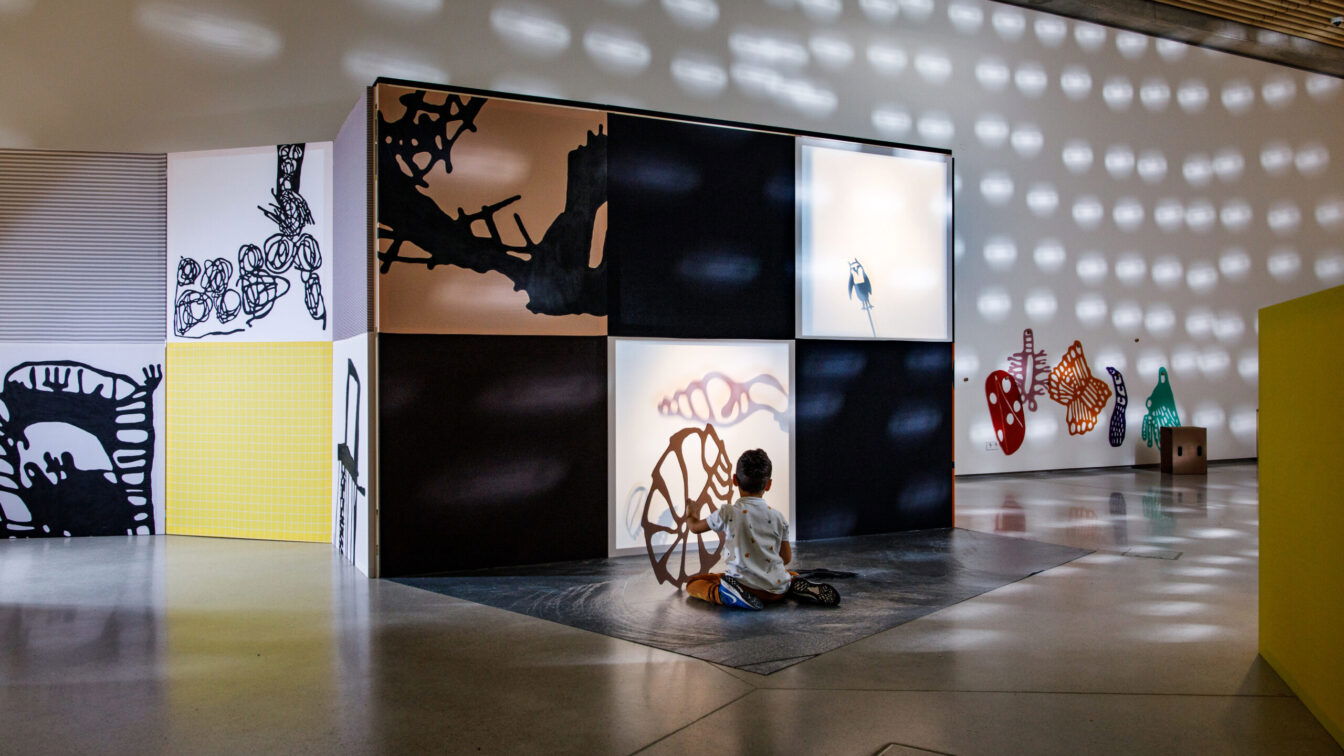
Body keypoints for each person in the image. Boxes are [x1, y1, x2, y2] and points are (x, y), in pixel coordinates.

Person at [684, 448, 840, 610]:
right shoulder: (778, 517)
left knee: (695, 583)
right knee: (788, 574)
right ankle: (793, 585)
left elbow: (694, 527)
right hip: (777, 590)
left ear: (735, 480)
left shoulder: (727, 512)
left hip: (745, 586)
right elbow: (786, 558)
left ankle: (728, 594)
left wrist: (691, 513)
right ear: (769, 484)